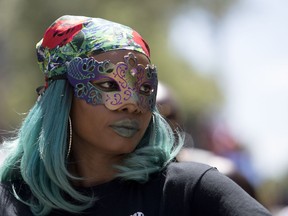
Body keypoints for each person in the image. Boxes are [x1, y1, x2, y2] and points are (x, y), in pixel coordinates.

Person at [0, 15, 271, 216]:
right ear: (61, 96)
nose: (132, 105)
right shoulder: (11, 200)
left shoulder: (189, 190)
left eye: (144, 88)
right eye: (108, 85)